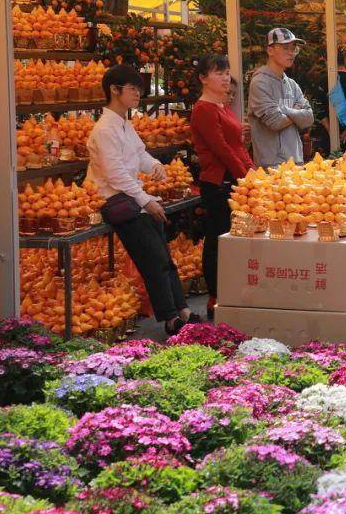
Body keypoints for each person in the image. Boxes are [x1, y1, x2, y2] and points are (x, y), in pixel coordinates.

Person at [87, 65, 197, 336]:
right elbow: (115, 175)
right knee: (155, 260)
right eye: (132, 89)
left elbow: (140, 154)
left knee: (164, 256)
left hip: (133, 198)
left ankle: (181, 310)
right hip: (117, 201)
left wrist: (156, 165)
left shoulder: (124, 124)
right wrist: (145, 200)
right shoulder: (104, 130)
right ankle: (171, 318)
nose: (138, 94)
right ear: (114, 90)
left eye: (139, 89)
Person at [190, 55, 254, 320]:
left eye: (227, 72)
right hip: (218, 183)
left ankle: (229, 293)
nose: (226, 77)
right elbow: (222, 150)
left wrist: (252, 172)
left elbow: (237, 146)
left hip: (234, 180)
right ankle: (215, 297)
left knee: (231, 239)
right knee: (218, 240)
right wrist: (247, 176)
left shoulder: (222, 107)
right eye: (219, 73)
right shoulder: (203, 109)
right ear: (203, 78)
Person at [247, 28, 313, 168]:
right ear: (270, 50)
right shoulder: (259, 83)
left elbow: (308, 118)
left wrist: (283, 110)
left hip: (296, 162)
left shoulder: (292, 84)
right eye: (285, 47)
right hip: (271, 166)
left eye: (294, 48)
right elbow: (275, 122)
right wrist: (296, 111)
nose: (291, 53)